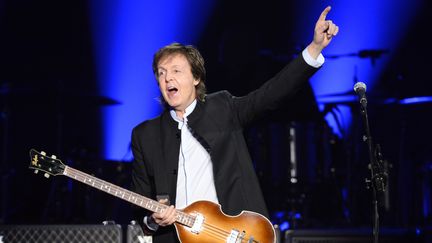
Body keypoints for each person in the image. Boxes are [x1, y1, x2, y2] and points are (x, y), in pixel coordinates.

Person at [130, 6, 339, 243]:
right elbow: (140, 212)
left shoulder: (222, 108)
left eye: (176, 71)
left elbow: (271, 94)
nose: (168, 78)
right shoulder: (145, 135)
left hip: (233, 235)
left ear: (196, 78)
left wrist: (314, 48)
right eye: (161, 73)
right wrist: (153, 219)